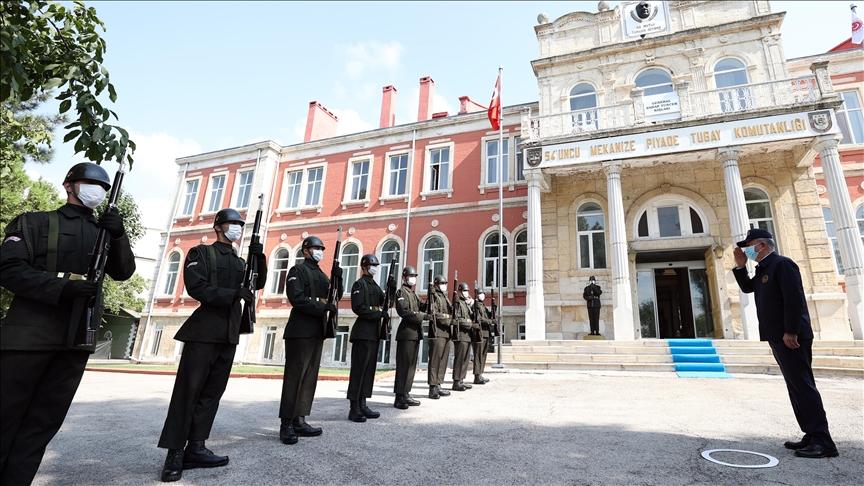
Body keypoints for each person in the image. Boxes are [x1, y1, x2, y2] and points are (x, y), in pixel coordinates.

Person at [0, 162, 136, 486]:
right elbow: (8, 269)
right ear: (68, 185)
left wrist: (119, 234)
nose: (96, 190)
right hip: (28, 338)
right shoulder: (34, 222)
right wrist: (62, 287)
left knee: (41, 426)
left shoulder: (105, 231)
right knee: (3, 419)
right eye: (89, 182)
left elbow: (124, 271)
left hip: (74, 339)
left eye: (103, 187)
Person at [158, 208, 266, 482]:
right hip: (204, 331)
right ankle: (174, 454)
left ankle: (196, 447)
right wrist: (232, 294)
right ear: (218, 226)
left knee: (211, 394)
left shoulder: (241, 261)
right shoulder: (201, 253)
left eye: (241, 225)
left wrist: (259, 256)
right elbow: (197, 287)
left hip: (229, 333)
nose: (238, 228)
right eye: (233, 223)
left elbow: (258, 282)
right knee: (188, 392)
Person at [732, 228, 838, 459]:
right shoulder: (763, 269)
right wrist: (741, 267)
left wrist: (791, 330)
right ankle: (811, 433)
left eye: (748, 245)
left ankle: (823, 440)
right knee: (795, 386)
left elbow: (794, 299)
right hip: (777, 336)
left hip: (791, 337)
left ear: (761, 245)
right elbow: (748, 288)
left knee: (803, 385)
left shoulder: (782, 264)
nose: (746, 250)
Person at [278, 235, 341, 444]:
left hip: (317, 330)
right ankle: (286, 423)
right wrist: (322, 306)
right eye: (315, 248)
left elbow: (333, 297)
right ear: (305, 250)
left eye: (321, 248)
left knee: (309, 378)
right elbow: (297, 299)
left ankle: (300, 419)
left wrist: (338, 279)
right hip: (300, 330)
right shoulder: (298, 270)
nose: (319, 251)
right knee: (295, 377)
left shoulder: (322, 275)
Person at [346, 254, 386, 422]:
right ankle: (354, 407)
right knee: (359, 371)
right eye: (372, 265)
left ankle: (363, 403)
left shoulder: (376, 286)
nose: (375, 268)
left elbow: (384, 303)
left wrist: (389, 289)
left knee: (369, 371)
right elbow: (359, 308)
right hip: (362, 333)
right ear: (364, 267)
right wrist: (378, 313)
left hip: (374, 333)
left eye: (376, 265)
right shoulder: (359, 284)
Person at [393, 266, 426, 409]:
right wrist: (422, 316)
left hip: (415, 334)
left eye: (414, 276)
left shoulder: (413, 294)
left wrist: (429, 299)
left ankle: (406, 393)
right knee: (404, 366)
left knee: (411, 366)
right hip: (406, 334)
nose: (413, 278)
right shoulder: (401, 292)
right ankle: (399, 397)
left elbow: (422, 307)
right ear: (404, 277)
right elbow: (404, 312)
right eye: (411, 276)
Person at [426, 275, 452, 399]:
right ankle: (432, 387)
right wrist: (449, 319)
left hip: (446, 333)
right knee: (435, 360)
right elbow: (435, 314)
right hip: (437, 331)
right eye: (442, 283)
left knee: (443, 360)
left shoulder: (444, 297)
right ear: (436, 284)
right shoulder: (433, 296)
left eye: (445, 283)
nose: (444, 285)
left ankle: (438, 384)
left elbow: (450, 312)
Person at [451, 282, 476, 391]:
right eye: (465, 291)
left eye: (467, 291)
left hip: (468, 335)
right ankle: (456, 381)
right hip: (460, 334)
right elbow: (457, 319)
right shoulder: (457, 302)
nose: (466, 293)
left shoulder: (466, 304)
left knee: (465, 359)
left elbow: (473, 316)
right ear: (460, 292)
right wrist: (469, 323)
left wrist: (472, 305)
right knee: (460, 358)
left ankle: (461, 380)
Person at [471, 288, 494, 385]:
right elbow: (479, 319)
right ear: (477, 295)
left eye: (483, 293)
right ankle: (477, 376)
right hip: (479, 333)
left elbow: (488, 315)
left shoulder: (483, 306)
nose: (482, 295)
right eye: (480, 293)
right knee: (478, 355)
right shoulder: (475, 305)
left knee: (483, 355)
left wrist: (493, 308)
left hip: (485, 333)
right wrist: (490, 321)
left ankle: (480, 374)